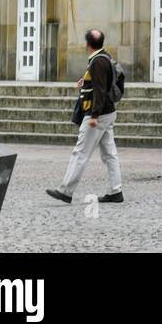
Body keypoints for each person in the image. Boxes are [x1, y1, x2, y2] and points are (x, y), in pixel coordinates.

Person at [47, 29, 123, 204]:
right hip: (109, 112)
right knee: (110, 154)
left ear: (87, 44)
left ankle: (65, 191)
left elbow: (100, 90)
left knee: (80, 153)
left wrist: (94, 115)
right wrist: (86, 81)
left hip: (98, 115)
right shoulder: (104, 57)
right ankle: (115, 190)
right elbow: (101, 82)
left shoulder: (97, 62)